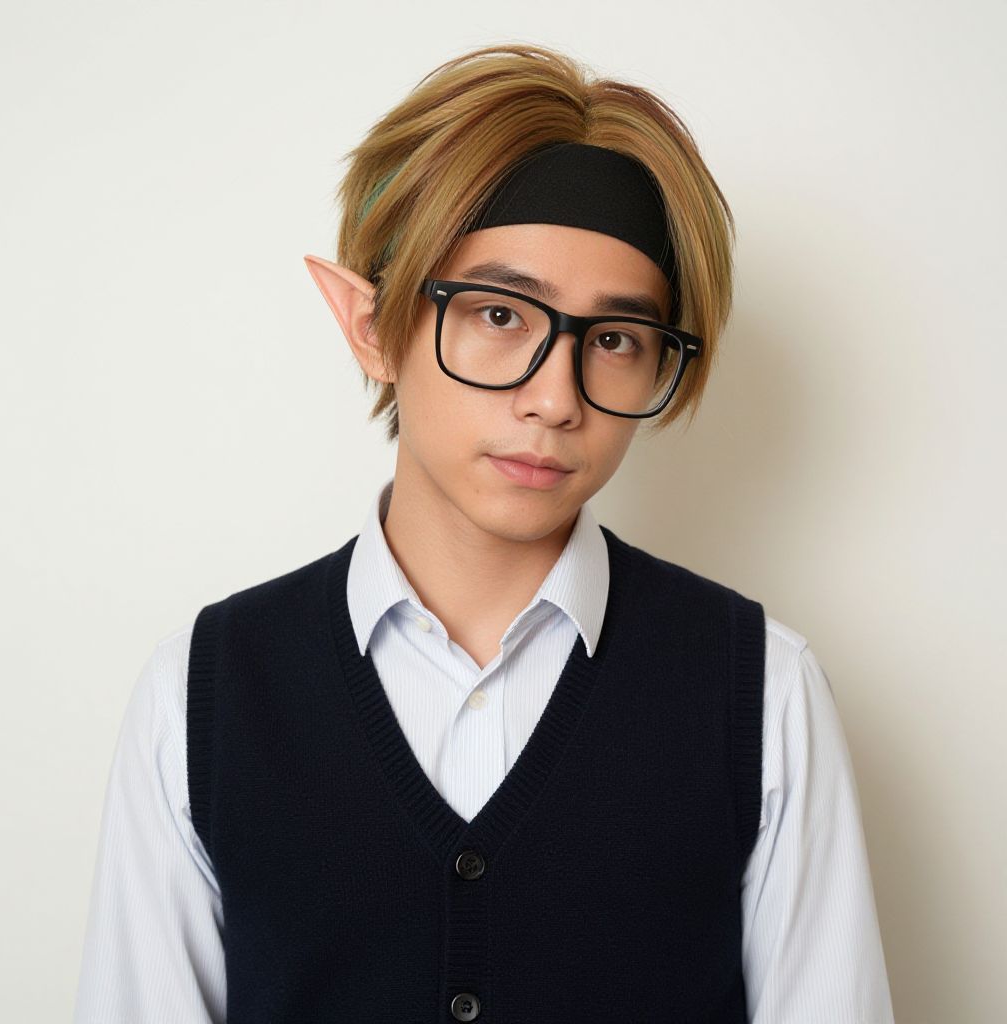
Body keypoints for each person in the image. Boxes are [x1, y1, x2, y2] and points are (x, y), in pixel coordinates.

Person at [74, 43, 895, 1024]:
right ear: (370, 324)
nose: (555, 399)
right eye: (500, 314)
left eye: (615, 339)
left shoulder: (761, 692)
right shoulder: (203, 694)